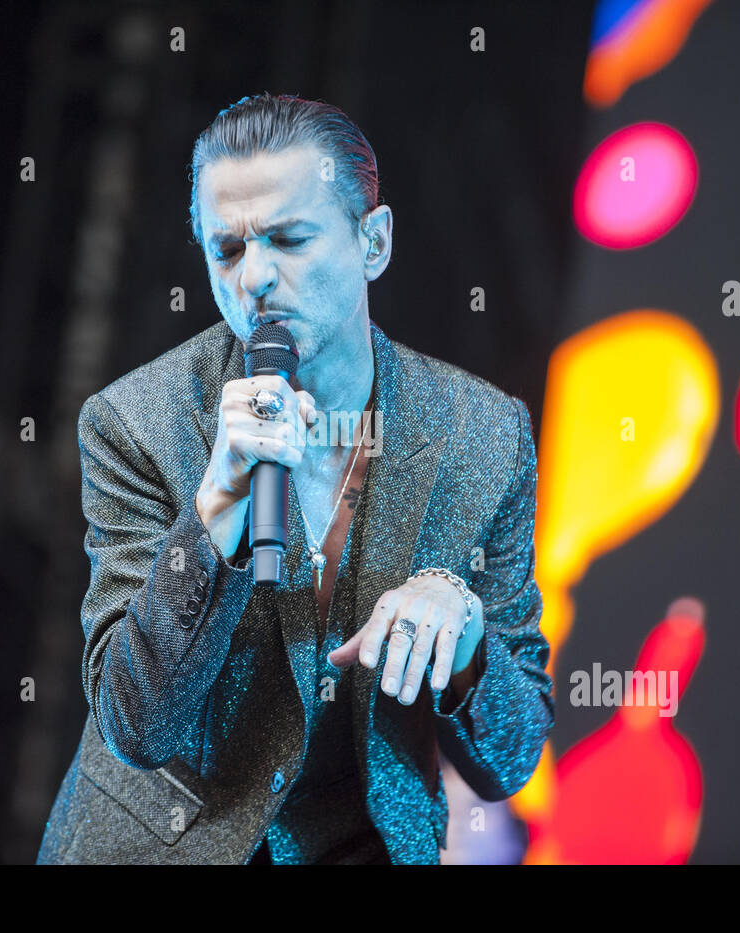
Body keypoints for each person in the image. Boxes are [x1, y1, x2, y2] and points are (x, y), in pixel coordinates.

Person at [36, 93, 554, 865]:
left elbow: (511, 758)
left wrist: (469, 637)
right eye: (229, 250)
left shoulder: (483, 436)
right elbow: (134, 723)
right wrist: (214, 510)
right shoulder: (136, 423)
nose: (257, 279)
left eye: (289, 238)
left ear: (373, 242)